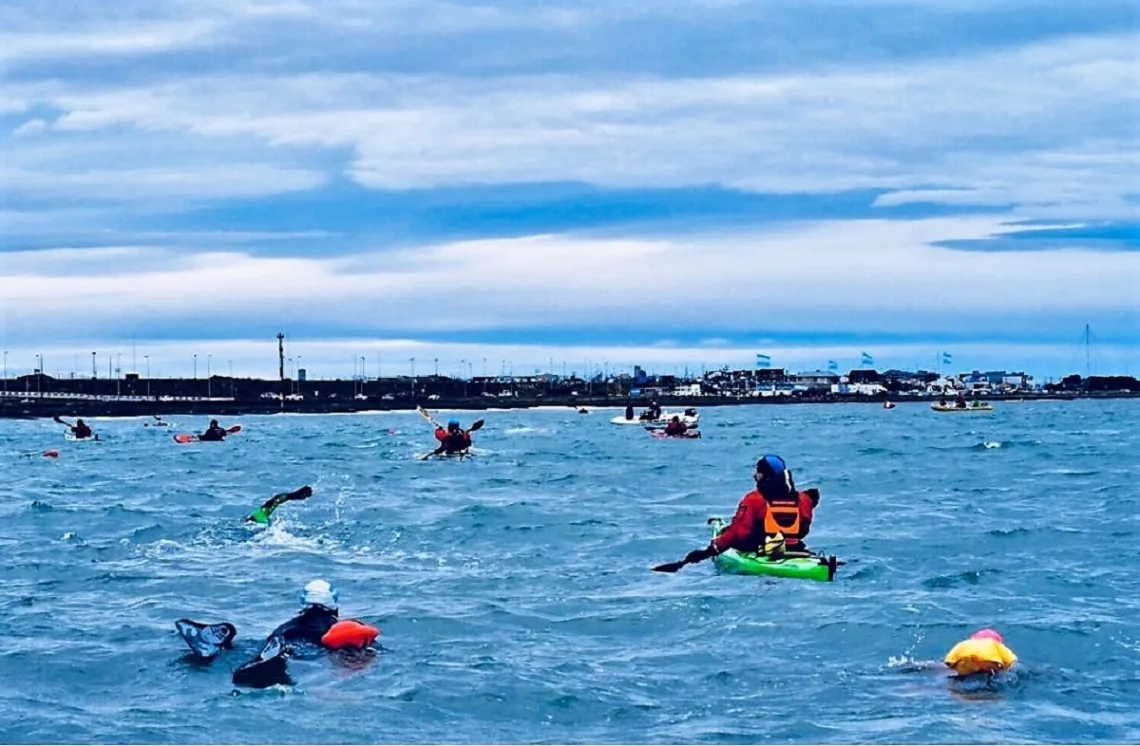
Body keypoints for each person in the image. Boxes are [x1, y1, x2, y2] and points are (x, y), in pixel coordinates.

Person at [176, 579, 370, 689]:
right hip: (311, 648)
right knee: (302, 655)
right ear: (334, 603)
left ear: (303, 603)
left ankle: (223, 647)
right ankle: (275, 658)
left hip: (284, 637)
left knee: (261, 649)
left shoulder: (288, 625)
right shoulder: (338, 627)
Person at [678, 454, 821, 565]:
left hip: (759, 551)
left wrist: (710, 550)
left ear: (765, 476)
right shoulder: (803, 500)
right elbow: (803, 530)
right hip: (795, 550)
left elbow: (738, 533)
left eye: (758, 472)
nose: (754, 475)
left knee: (731, 532)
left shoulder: (754, 500)